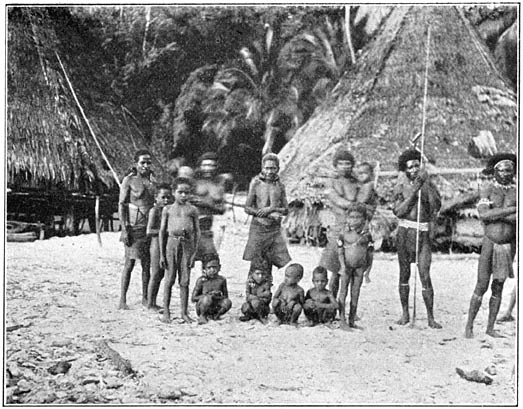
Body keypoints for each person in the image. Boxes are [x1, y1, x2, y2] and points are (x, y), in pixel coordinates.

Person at [465, 153, 516, 338]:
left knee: (498, 286)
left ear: (514, 171)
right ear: (494, 172)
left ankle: (490, 328)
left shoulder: (517, 191)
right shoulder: (487, 190)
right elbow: (484, 215)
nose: (504, 173)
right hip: (490, 242)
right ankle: (469, 326)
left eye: (508, 170)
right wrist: (512, 209)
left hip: (508, 245)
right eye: (500, 170)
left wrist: (496, 213)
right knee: (481, 284)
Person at [393, 149, 442, 329]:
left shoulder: (428, 185)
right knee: (404, 275)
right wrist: (414, 191)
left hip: (423, 234)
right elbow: (398, 212)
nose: (414, 169)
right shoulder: (400, 187)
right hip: (406, 233)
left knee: (425, 275)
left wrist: (425, 185)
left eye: (417, 165)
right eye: (411, 167)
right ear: (404, 169)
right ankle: (405, 313)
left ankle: (430, 317)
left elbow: (436, 206)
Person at [243, 153, 291, 285]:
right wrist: (262, 213)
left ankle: (265, 293)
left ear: (278, 169)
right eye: (267, 168)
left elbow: (286, 210)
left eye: (273, 168)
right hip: (258, 227)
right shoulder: (256, 183)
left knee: (269, 262)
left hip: (273, 228)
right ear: (262, 168)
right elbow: (247, 207)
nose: (269, 171)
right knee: (256, 262)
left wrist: (271, 209)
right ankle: (251, 294)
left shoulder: (280, 186)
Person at [159, 177, 200, 324]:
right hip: (171, 244)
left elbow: (197, 232)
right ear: (173, 192)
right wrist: (162, 255)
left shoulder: (192, 210)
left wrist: (194, 253)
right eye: (180, 192)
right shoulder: (167, 209)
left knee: (185, 280)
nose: (183, 195)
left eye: (186, 192)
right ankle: (166, 311)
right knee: (169, 279)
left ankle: (184, 312)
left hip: (187, 246)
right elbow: (162, 232)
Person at [320, 148, 359, 298]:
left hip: (355, 230)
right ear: (335, 166)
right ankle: (331, 301)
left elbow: (367, 200)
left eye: (347, 163)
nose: (344, 166)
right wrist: (354, 205)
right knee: (336, 270)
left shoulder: (356, 183)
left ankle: (345, 307)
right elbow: (337, 200)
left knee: (353, 270)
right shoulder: (332, 183)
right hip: (339, 229)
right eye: (341, 163)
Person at [118, 149, 155, 310]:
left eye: (148, 163)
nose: (145, 166)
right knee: (129, 263)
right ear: (136, 163)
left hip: (149, 229)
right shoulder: (129, 180)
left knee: (147, 265)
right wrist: (124, 229)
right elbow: (121, 204)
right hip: (133, 228)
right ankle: (122, 300)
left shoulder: (153, 182)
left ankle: (146, 299)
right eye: (142, 163)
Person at [336, 204, 374, 329]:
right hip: (346, 267)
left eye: (358, 217)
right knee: (343, 292)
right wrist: (342, 266)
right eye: (351, 217)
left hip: (359, 268)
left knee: (355, 293)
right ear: (347, 218)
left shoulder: (367, 235)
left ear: (364, 219)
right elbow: (340, 251)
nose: (354, 220)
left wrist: (368, 271)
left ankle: (352, 319)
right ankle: (342, 320)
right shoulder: (344, 234)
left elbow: (370, 254)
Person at [192, 152, 226, 262]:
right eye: (205, 165)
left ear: (216, 167)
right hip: (194, 224)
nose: (208, 169)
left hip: (213, 225)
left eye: (212, 165)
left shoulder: (219, 184)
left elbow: (222, 209)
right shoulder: (194, 183)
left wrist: (206, 205)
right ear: (200, 166)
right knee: (188, 260)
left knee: (210, 258)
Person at [146, 183, 172, 310]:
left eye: (168, 197)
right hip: (156, 243)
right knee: (156, 273)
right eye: (163, 197)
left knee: (161, 274)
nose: (166, 200)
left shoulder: (168, 211)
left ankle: (153, 301)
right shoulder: (154, 211)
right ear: (156, 197)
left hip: (166, 243)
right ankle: (150, 303)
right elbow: (149, 230)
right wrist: (164, 231)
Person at [191, 253, 232, 324]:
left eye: (214, 267)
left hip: (215, 306)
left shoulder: (221, 280)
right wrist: (208, 295)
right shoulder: (201, 280)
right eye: (209, 268)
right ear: (204, 269)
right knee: (207, 299)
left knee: (227, 302)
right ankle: (203, 316)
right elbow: (193, 298)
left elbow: (226, 296)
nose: (212, 270)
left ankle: (216, 316)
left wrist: (218, 296)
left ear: (219, 268)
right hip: (203, 306)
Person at [355, 162, 378, 284]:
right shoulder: (362, 186)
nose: (362, 176)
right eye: (360, 173)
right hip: (362, 218)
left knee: (368, 247)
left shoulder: (369, 185)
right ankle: (364, 272)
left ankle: (366, 273)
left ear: (371, 174)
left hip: (366, 219)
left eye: (365, 173)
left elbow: (361, 201)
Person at [239, 259, 273, 324]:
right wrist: (259, 296)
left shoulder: (266, 284)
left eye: (262, 274)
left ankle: (261, 317)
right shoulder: (249, 283)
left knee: (255, 302)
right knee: (245, 307)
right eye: (257, 274)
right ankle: (248, 315)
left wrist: (256, 298)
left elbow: (267, 297)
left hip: (263, 307)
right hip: (252, 305)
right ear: (252, 274)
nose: (260, 276)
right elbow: (248, 296)